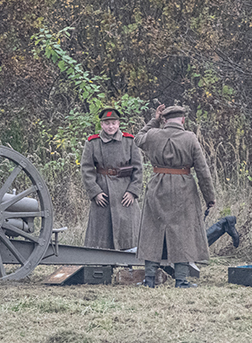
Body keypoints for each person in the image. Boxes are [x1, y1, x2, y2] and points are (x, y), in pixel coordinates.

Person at [134, 103, 215, 288]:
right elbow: (202, 170)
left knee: (152, 232)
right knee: (183, 233)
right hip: (183, 187)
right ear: (183, 120)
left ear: (164, 120)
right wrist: (209, 197)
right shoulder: (190, 138)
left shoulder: (153, 134)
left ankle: (149, 280)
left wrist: (153, 121)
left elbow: (137, 139)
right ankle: (181, 280)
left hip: (157, 186)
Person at [80, 107, 144, 250]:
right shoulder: (92, 143)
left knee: (129, 230)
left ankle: (130, 261)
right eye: (107, 123)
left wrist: (133, 191)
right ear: (102, 125)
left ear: (119, 123)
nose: (111, 127)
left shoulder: (129, 141)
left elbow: (138, 169)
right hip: (103, 192)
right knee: (101, 232)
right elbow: (86, 169)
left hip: (124, 191)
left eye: (114, 123)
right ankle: (101, 261)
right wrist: (95, 192)